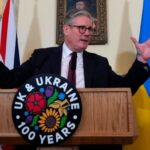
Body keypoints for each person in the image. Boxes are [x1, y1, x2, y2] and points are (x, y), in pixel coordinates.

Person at [0, 9, 150, 150]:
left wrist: (141, 60)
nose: (87, 33)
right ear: (66, 29)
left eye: (90, 29)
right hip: (46, 136)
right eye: (82, 28)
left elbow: (125, 89)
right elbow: (9, 80)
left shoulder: (99, 63)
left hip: (92, 139)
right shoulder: (41, 57)